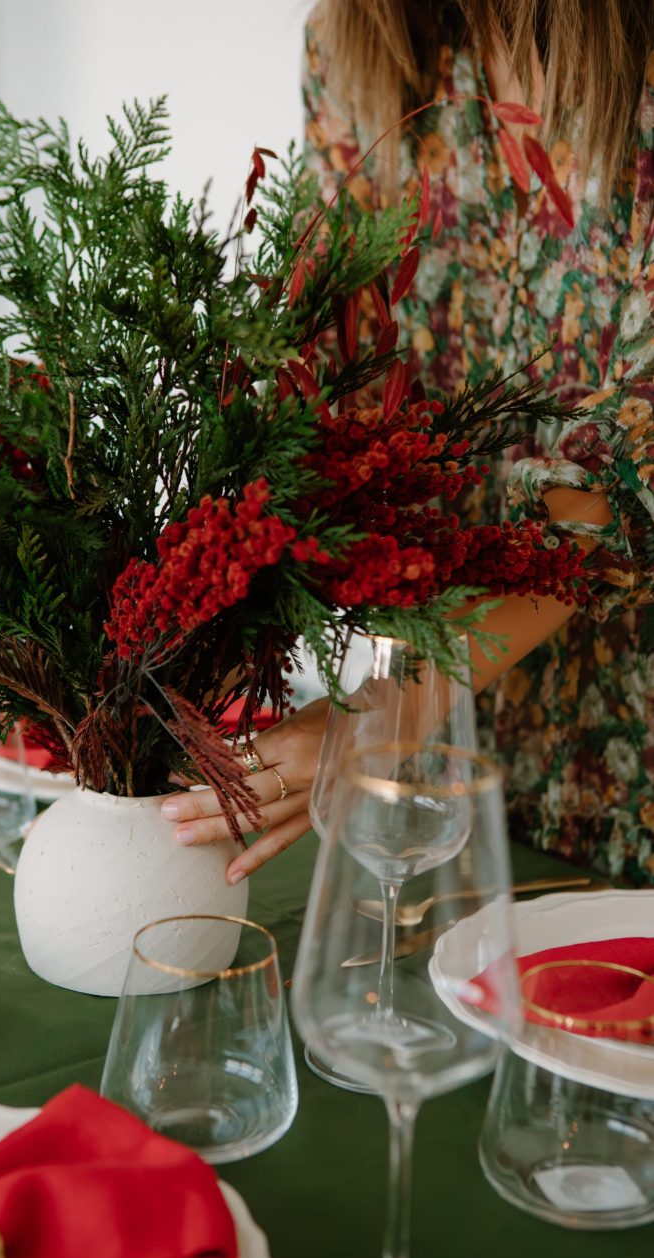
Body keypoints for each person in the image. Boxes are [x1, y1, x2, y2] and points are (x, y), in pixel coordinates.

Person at [161, 0, 654, 888]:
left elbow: (635, 461)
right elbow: (325, 357)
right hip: (453, 780)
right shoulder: (360, 44)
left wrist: (397, 705)